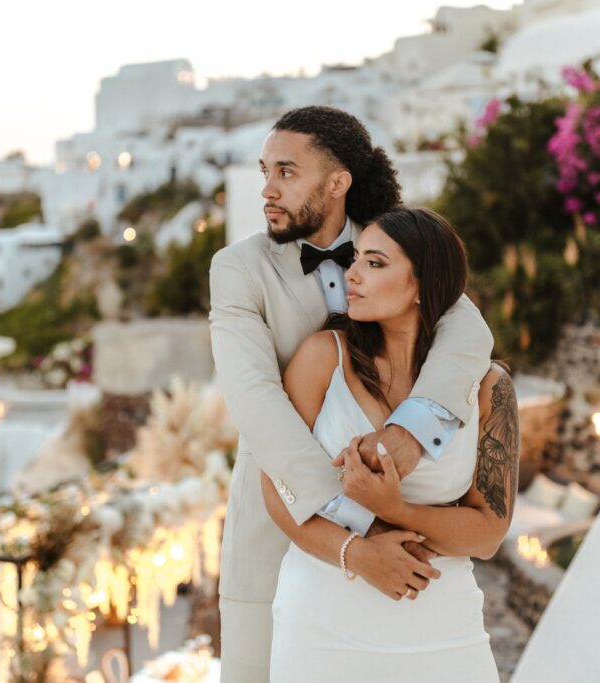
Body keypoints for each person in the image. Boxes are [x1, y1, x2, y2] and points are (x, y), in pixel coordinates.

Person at [209, 106, 494, 682]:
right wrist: (356, 525)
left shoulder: (390, 243)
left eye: (286, 172)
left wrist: (411, 436)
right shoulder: (238, 268)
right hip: (280, 516)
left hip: (407, 530)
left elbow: (468, 331)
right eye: (265, 171)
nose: (268, 189)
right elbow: (256, 402)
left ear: (337, 182)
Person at [262, 207, 518, 682]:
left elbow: (488, 533)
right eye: (355, 259)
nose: (351, 274)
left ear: (423, 284)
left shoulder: (488, 387)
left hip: (441, 624)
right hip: (323, 620)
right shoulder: (322, 359)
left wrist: (396, 510)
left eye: (375, 263)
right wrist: (356, 555)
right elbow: (278, 490)